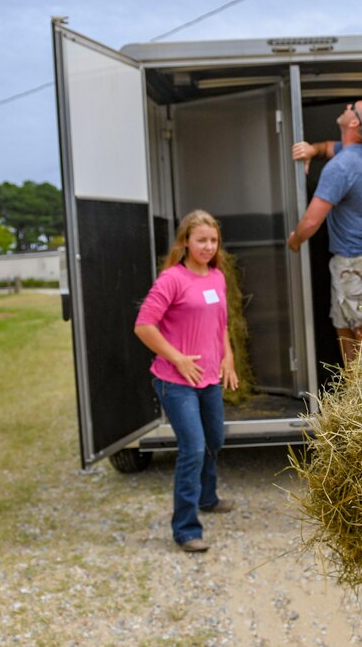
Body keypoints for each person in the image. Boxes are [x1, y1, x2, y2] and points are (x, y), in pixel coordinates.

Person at [134, 209, 239, 553]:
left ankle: (208, 498)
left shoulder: (216, 277)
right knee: (192, 448)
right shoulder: (172, 279)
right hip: (175, 380)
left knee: (214, 440)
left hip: (208, 377)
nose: (208, 246)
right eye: (201, 240)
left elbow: (220, 324)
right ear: (186, 242)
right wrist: (176, 357)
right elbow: (144, 326)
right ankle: (185, 528)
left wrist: (228, 358)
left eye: (213, 240)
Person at [287, 96, 362, 364]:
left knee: (359, 329)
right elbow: (327, 148)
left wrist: (295, 240)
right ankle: (354, 390)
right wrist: (311, 150)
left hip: (355, 261)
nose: (346, 107)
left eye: (352, 107)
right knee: (346, 324)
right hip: (360, 257)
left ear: (354, 121)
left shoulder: (341, 168)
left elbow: (311, 222)